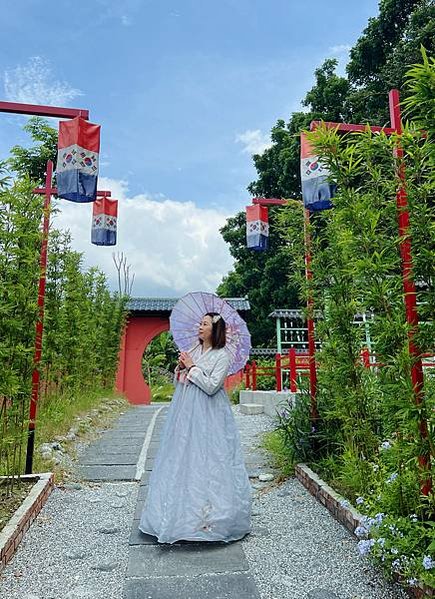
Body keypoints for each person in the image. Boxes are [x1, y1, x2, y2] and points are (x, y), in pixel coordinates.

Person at [138, 312, 252, 544]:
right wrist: (181, 368)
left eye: (205, 324)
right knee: (182, 457)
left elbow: (211, 386)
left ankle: (212, 515)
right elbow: (179, 382)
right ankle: (178, 514)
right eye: (200, 323)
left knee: (209, 458)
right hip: (186, 413)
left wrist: (192, 367)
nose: (200, 327)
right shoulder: (194, 350)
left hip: (209, 414)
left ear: (215, 329)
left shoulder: (222, 356)